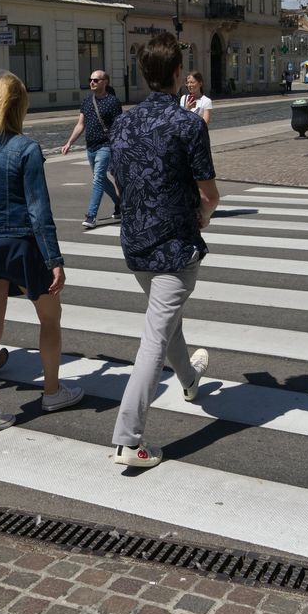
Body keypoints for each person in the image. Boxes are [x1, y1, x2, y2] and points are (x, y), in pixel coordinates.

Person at [0, 72, 83, 438]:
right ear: (19, 106)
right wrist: (54, 260)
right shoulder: (26, 149)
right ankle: (52, 392)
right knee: (50, 317)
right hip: (21, 245)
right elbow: (39, 211)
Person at [108, 33, 217, 469]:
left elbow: (117, 182)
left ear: (143, 73)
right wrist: (203, 215)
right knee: (155, 337)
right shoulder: (187, 124)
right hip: (175, 244)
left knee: (165, 321)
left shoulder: (121, 123)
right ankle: (128, 439)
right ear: (177, 74)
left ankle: (189, 381)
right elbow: (209, 191)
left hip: (135, 241)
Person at [59, 68, 122, 229]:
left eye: (96, 80)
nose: (92, 82)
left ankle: (91, 215)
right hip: (91, 147)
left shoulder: (113, 102)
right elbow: (80, 125)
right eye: (90, 80)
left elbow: (118, 127)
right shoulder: (87, 101)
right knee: (101, 179)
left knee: (98, 179)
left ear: (105, 82)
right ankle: (120, 204)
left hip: (105, 146)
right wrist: (69, 143)